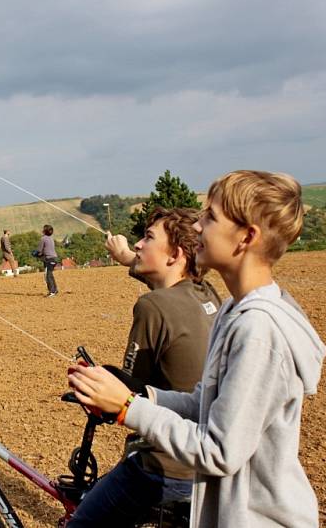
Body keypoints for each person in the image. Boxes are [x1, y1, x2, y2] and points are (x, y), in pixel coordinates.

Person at [69, 170, 326, 528]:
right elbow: (203, 401)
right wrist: (142, 396)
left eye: (210, 217)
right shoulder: (231, 309)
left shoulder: (257, 330)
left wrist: (129, 408)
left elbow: (218, 451)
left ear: (246, 237)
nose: (197, 227)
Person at [68, 208, 221, 528]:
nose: (138, 245)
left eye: (148, 238)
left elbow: (128, 394)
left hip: (162, 466)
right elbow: (166, 277)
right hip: (201, 465)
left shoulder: (152, 306)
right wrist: (124, 255)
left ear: (175, 254)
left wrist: (94, 387)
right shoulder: (205, 291)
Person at [36, 224, 58, 297]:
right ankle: (55, 290)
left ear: (44, 231)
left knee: (47, 276)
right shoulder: (51, 238)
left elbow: (39, 250)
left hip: (49, 259)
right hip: (53, 258)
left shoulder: (43, 238)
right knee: (50, 274)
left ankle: (52, 292)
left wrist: (35, 254)